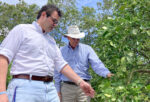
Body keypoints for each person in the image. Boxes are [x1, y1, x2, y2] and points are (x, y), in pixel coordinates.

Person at [0, 5, 95, 102]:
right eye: (54, 21)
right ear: (43, 14)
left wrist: (81, 82)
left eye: (57, 22)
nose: (55, 25)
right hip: (25, 87)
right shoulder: (22, 30)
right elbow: (3, 57)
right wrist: (1, 92)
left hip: (50, 89)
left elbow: (62, 65)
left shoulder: (52, 41)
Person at [54, 25, 114, 102]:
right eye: (73, 38)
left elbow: (97, 64)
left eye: (78, 39)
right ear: (68, 38)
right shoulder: (61, 51)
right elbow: (57, 72)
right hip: (66, 88)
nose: (76, 41)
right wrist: (58, 91)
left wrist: (106, 73)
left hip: (84, 88)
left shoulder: (87, 49)